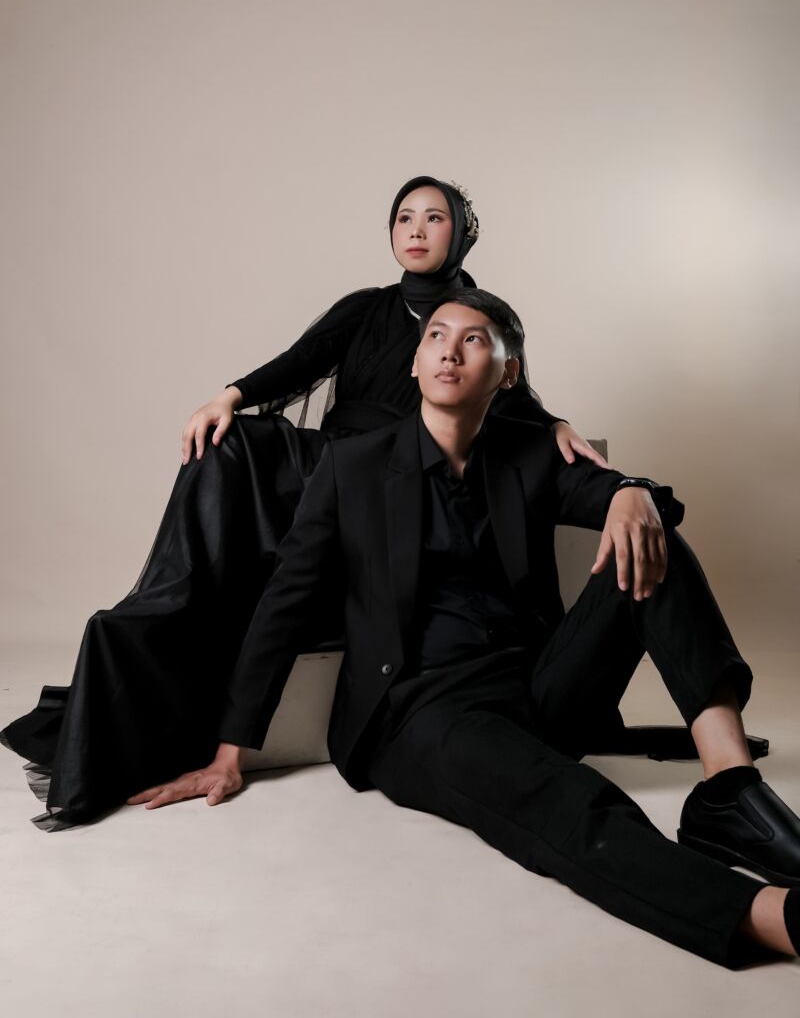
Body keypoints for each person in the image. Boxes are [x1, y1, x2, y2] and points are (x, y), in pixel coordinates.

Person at [128, 288, 800, 966]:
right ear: (415, 363)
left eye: (474, 339)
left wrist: (633, 492)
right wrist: (231, 751)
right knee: (562, 797)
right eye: (436, 336)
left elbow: (619, 499)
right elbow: (286, 604)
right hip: (420, 710)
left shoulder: (530, 453)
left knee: (654, 544)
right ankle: (766, 917)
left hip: (538, 691)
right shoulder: (353, 467)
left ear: (508, 373)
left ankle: (729, 793)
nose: (449, 350)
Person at [1, 176, 603, 830]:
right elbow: (299, 362)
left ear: (461, 233)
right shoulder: (365, 307)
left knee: (327, 505)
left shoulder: (472, 319)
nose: (417, 230)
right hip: (331, 459)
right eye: (404, 217)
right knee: (230, 443)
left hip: (392, 473)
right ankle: (174, 595)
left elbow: (510, 392)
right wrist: (228, 396)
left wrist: (555, 426)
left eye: (435, 218)